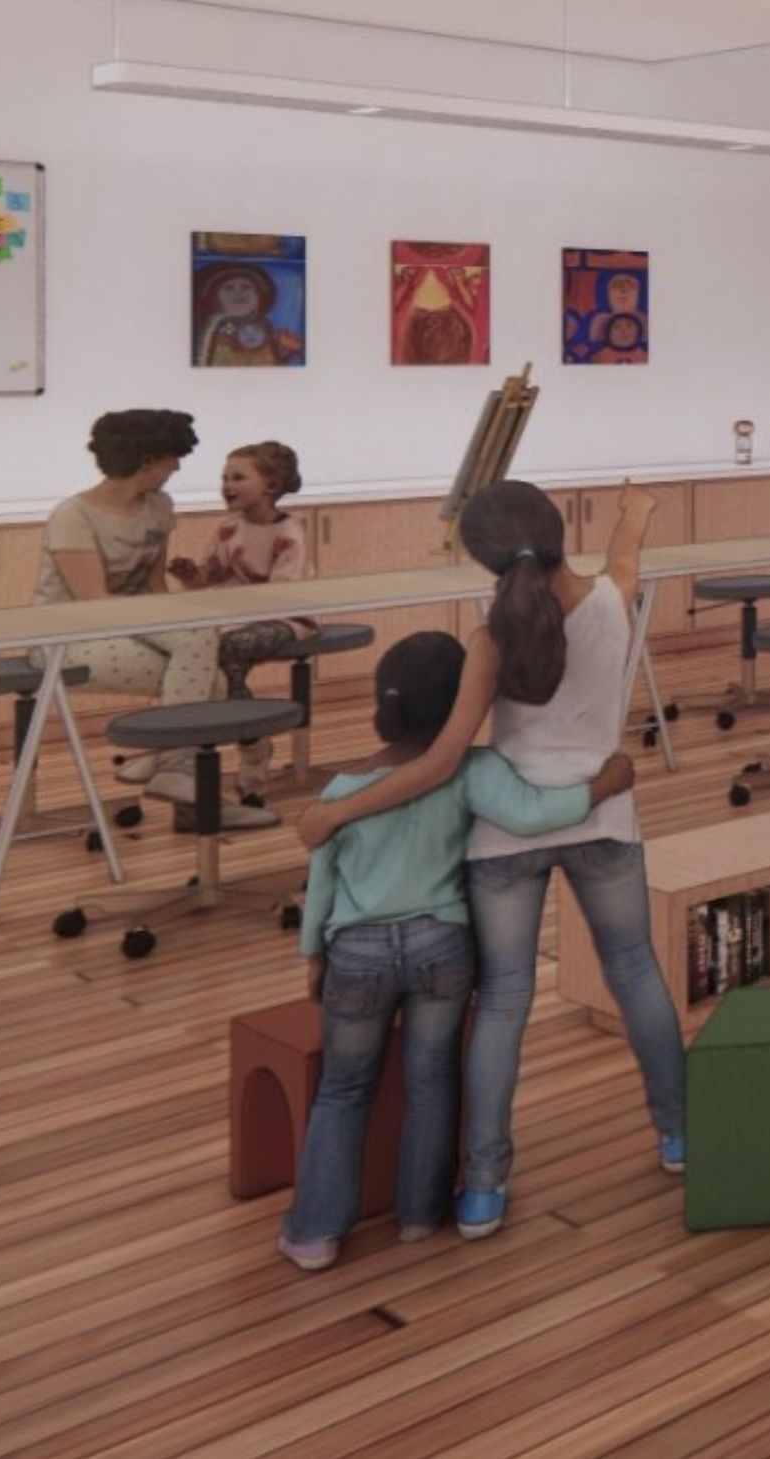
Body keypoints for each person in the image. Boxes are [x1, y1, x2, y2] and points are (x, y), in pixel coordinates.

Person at [294, 481, 687, 1241]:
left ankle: (482, 1185)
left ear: (484, 561)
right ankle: (680, 1134)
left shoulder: (490, 637)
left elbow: (442, 761)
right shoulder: (616, 597)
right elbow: (626, 554)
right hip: (603, 816)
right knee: (636, 972)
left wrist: (337, 810)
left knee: (505, 1002)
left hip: (506, 837)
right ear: (556, 531)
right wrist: (635, 514)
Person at [279, 633, 629, 1271]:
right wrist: (603, 786)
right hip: (442, 947)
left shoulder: (338, 794)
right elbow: (530, 816)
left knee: (342, 1088)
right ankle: (419, 1215)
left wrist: (313, 956)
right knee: (432, 1079)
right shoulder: (472, 770)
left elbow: (321, 886)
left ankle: (314, 1232)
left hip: (355, 953)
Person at [46, 409, 273, 828]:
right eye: (172, 458)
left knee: (213, 678)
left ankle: (181, 783)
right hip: (70, 635)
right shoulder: (73, 517)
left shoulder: (158, 506)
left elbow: (154, 589)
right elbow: (92, 602)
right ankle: (179, 775)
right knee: (210, 678)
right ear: (146, 460)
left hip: (133, 626)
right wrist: (185, 631)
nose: (177, 467)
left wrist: (183, 625)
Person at [167, 441, 314, 701]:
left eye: (238, 478)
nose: (227, 485)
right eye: (225, 478)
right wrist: (191, 576)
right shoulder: (229, 528)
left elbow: (283, 596)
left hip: (286, 620)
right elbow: (210, 581)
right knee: (196, 646)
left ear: (271, 486)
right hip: (234, 615)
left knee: (227, 648)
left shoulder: (288, 533)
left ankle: (247, 734)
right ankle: (237, 729)